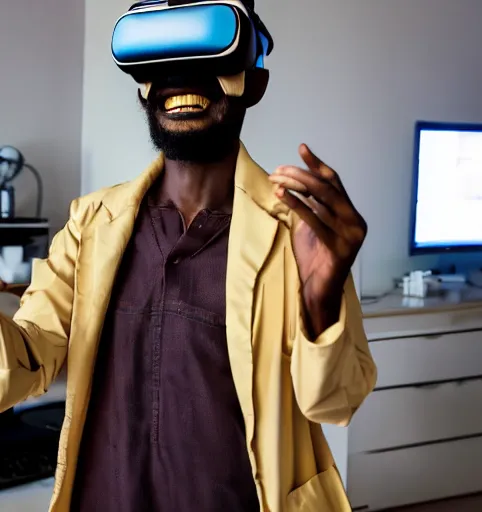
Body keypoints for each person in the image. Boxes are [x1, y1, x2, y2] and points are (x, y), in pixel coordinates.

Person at [0, 1, 377, 511]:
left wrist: (322, 298)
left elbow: (334, 403)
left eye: (209, 53)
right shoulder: (91, 224)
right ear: (143, 90)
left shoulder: (299, 232)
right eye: (163, 60)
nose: (182, 77)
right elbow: (22, 363)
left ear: (255, 81)